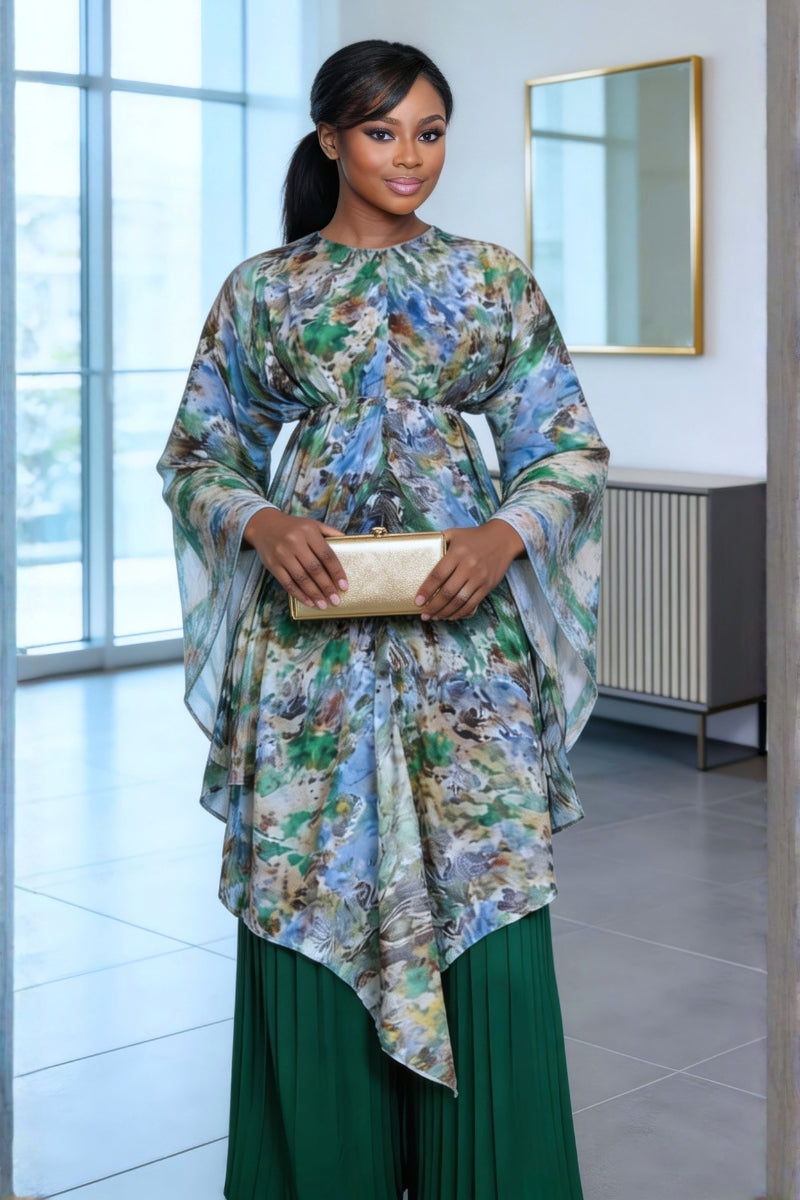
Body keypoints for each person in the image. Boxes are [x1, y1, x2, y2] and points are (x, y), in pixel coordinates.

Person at [158, 38, 609, 1200]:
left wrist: (501, 536)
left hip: (469, 665)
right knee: (312, 907)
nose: (409, 157)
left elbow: (564, 444)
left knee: (490, 913)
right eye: (380, 132)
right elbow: (198, 453)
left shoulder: (492, 280)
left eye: (428, 132)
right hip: (308, 676)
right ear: (329, 140)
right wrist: (260, 522)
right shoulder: (264, 291)